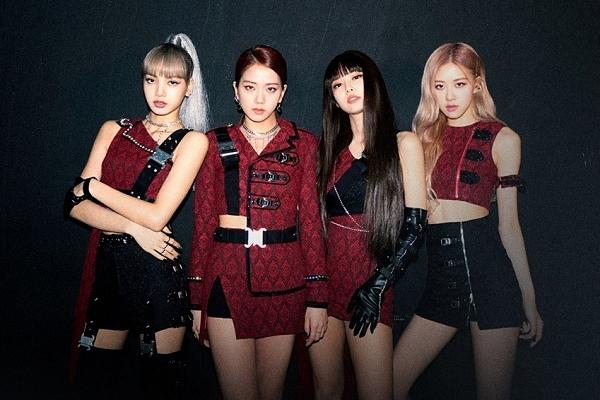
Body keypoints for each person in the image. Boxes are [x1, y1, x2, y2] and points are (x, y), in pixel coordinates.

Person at [393, 42, 544, 400]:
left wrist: (529, 299)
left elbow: (509, 227)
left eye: (459, 84)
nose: (448, 96)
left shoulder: (503, 138)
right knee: (389, 383)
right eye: (439, 85)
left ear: (477, 84)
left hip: (491, 279)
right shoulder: (422, 139)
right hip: (442, 279)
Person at [65, 33, 209, 398]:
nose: (159, 91)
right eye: (151, 79)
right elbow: (73, 205)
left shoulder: (193, 141)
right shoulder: (114, 129)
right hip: (111, 266)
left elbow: (157, 217)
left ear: (189, 87)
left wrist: (93, 188)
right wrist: (133, 227)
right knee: (94, 380)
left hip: (157, 270)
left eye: (172, 82)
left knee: (161, 386)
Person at [188, 44, 328, 400]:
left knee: (271, 391)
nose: (259, 98)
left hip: (285, 280)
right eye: (250, 87)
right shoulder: (213, 143)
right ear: (236, 91)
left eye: (270, 88)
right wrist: (195, 297)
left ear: (283, 93)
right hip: (226, 277)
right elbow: (203, 224)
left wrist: (317, 298)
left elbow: (312, 223)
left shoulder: (304, 144)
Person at [309, 50, 427, 400]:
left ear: (372, 80)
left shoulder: (403, 144)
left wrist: (377, 287)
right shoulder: (326, 152)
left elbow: (415, 227)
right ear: (331, 97)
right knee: (326, 390)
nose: (348, 89)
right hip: (323, 285)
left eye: (356, 77)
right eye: (337, 84)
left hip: (370, 281)